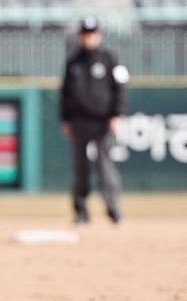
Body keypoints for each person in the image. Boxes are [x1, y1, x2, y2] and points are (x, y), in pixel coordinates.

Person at [60, 15, 129, 224]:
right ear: (80, 36)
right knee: (80, 169)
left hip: (102, 122)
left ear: (98, 36)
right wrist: (65, 118)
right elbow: (65, 92)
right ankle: (81, 212)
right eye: (85, 33)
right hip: (79, 122)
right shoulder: (73, 61)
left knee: (106, 167)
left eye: (92, 33)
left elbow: (120, 88)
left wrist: (116, 114)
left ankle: (113, 210)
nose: (88, 37)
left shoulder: (108, 59)